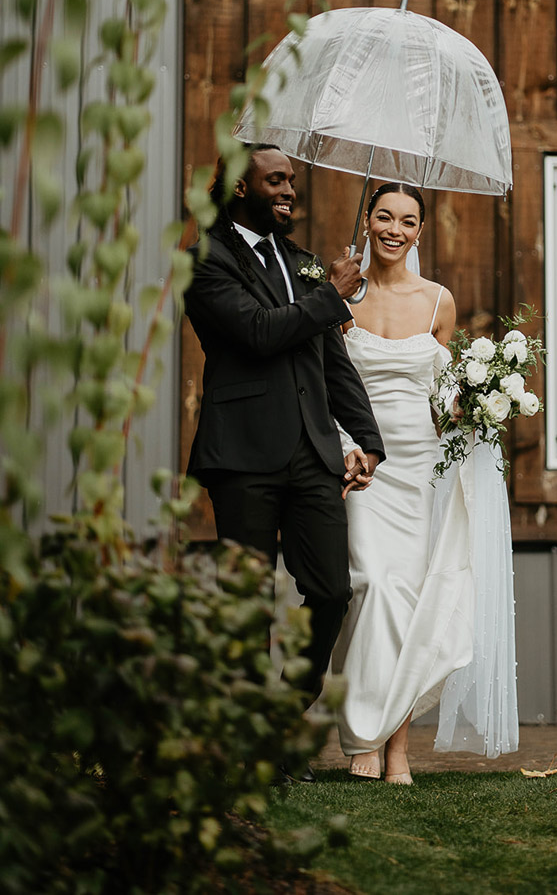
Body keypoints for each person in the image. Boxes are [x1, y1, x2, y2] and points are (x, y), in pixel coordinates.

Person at [184, 143, 385, 742]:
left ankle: (284, 710)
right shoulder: (204, 258)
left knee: (331, 590)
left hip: (312, 454)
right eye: (275, 181)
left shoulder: (304, 263)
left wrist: (368, 440)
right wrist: (332, 297)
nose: (289, 190)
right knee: (245, 603)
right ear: (242, 189)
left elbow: (332, 361)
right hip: (241, 454)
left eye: (291, 180)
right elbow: (257, 332)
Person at [331, 183, 518, 784]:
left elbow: (443, 394)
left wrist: (471, 403)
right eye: (384, 216)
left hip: (422, 467)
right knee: (375, 586)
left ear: (418, 231)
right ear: (367, 220)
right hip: (362, 464)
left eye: (407, 221)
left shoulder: (439, 301)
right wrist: (342, 450)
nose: (395, 229)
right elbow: (326, 384)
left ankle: (396, 749)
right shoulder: (340, 297)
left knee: (414, 603)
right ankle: (363, 730)